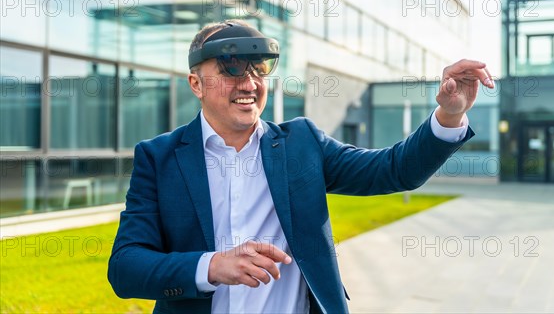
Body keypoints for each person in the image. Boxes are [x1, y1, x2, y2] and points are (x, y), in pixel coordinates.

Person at [108, 20, 494, 313]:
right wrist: (211, 266)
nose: (249, 82)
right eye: (231, 69)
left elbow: (394, 169)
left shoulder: (301, 144)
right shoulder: (159, 157)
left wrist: (448, 114)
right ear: (196, 83)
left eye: (259, 69)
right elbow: (126, 267)